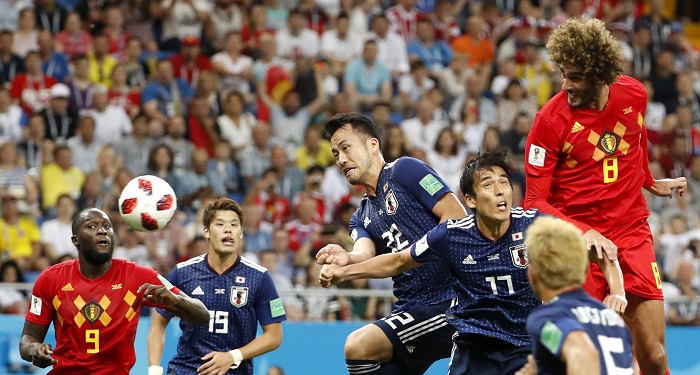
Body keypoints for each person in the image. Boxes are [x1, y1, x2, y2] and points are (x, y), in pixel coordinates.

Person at [320, 147, 627, 375]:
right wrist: (346, 272)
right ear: (470, 199)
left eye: (504, 182)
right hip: (473, 348)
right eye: (488, 185)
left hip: (525, 344)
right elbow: (398, 261)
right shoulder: (451, 236)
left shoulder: (535, 228)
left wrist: (616, 293)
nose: (500, 191)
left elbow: (602, 251)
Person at [523, 18, 687, 375]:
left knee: (656, 358)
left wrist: (647, 179)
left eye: (576, 76)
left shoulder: (634, 95)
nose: (565, 84)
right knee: (587, 358)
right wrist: (583, 232)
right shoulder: (549, 121)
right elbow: (533, 202)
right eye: (563, 74)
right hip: (578, 246)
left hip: (632, 233)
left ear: (601, 74)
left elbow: (636, 139)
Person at [316, 112, 467, 374]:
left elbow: (456, 216)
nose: (341, 159)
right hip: (411, 308)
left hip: (451, 300)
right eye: (335, 154)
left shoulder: (405, 170)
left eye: (346, 147)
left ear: (372, 144)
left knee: (358, 345)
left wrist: (415, 255)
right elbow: (364, 253)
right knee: (362, 356)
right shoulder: (359, 217)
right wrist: (346, 258)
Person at [18, 208, 210, 375]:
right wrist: (34, 349)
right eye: (91, 226)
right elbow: (28, 339)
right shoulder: (50, 279)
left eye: (107, 226)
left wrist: (176, 301)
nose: (102, 231)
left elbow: (202, 314)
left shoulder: (138, 276)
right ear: (75, 240)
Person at [147, 198, 286, 375]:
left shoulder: (259, 277)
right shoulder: (183, 272)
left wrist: (232, 356)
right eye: (220, 224)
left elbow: (274, 336)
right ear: (206, 231)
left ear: (241, 233)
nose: (228, 229)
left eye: (234, 225)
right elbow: (158, 324)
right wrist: (154, 371)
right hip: (186, 369)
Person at [515, 216, 633, 375]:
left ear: (533, 275)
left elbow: (582, 352)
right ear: (584, 271)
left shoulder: (548, 319)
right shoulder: (614, 322)